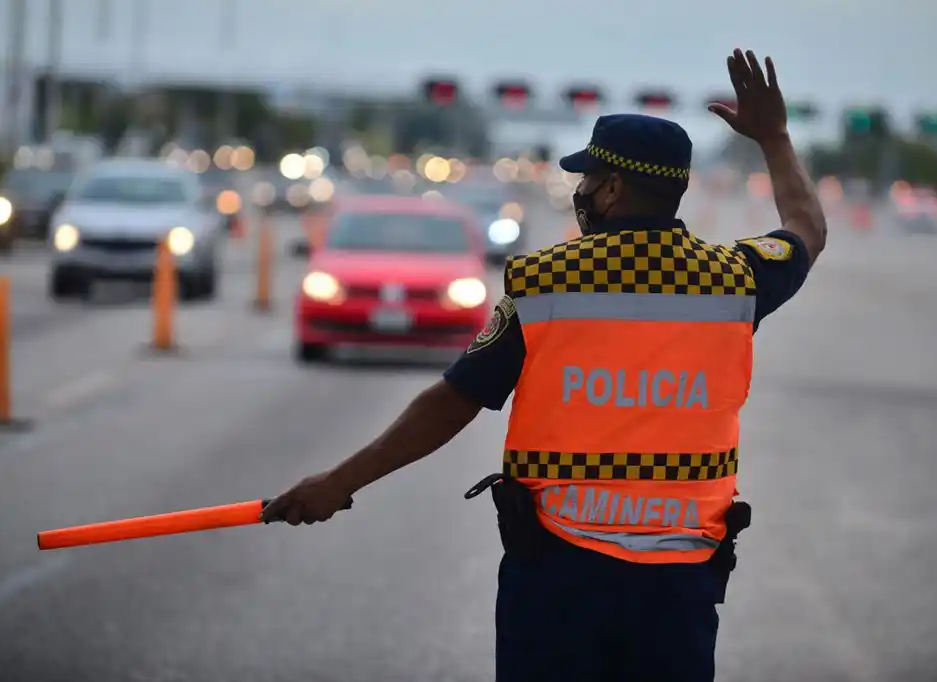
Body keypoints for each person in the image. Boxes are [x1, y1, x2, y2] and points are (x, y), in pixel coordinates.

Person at [261, 49, 827, 681]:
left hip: (560, 575)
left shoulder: (545, 282)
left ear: (612, 189)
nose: (579, 192)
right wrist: (775, 138)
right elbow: (806, 227)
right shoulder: (736, 280)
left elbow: (452, 402)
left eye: (587, 179)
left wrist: (341, 481)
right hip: (680, 582)